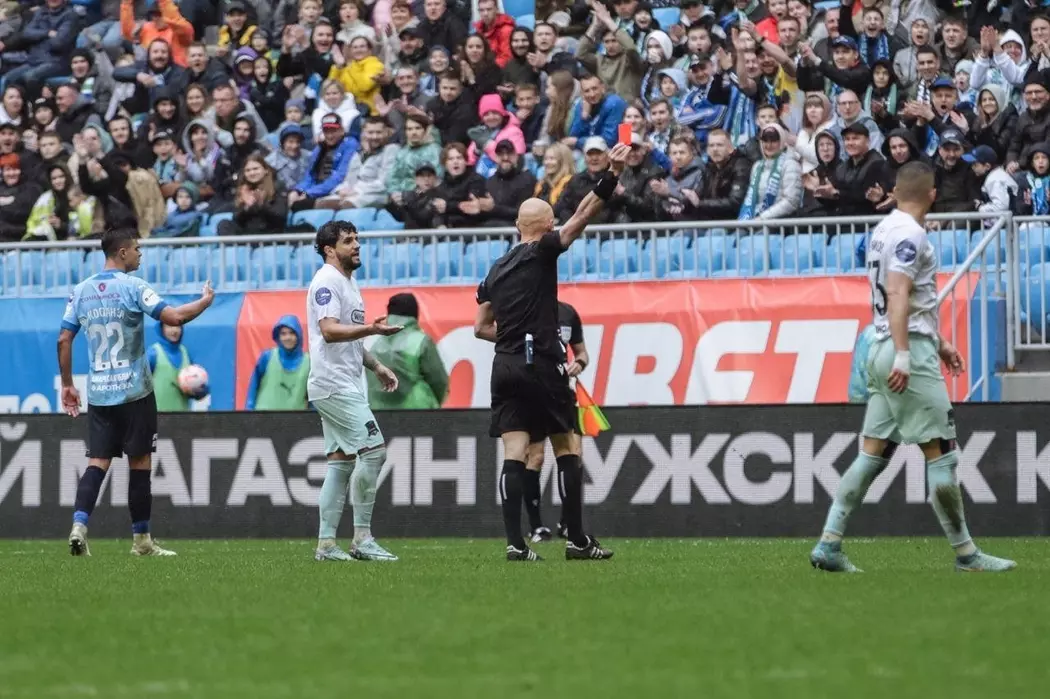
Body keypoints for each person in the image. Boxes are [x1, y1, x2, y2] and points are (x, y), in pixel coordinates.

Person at [809, 162, 1016, 574]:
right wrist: (907, 354)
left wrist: (938, 342)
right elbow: (898, 293)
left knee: (872, 454)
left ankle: (829, 543)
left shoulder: (883, 229)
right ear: (933, 194)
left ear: (895, 192)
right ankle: (967, 554)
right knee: (942, 455)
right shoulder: (911, 234)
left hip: (880, 345)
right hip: (905, 353)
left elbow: (904, 298)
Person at [472, 142, 631, 562]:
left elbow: (480, 327)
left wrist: (512, 336)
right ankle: (577, 541)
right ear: (546, 226)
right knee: (566, 446)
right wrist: (613, 174)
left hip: (505, 365)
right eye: (553, 222)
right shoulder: (542, 250)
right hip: (541, 362)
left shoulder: (495, 270)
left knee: (514, 451)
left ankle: (515, 544)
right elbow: (583, 216)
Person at [59, 228, 214, 557]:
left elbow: (63, 339)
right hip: (134, 392)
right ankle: (142, 541)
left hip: (100, 394)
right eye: (137, 249)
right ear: (123, 252)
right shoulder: (133, 286)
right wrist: (205, 302)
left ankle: (79, 525)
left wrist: (68, 384)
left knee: (97, 461)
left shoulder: (81, 291)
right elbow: (174, 317)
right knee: (140, 463)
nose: (140, 254)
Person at [307, 220, 404, 563]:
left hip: (340, 382)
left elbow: (347, 340)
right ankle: (362, 538)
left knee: (341, 463)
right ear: (329, 250)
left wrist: (376, 365)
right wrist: (371, 329)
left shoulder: (347, 282)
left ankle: (326, 545)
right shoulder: (327, 281)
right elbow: (330, 331)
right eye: (348, 241)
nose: (357, 245)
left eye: (357, 239)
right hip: (333, 384)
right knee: (374, 452)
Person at [522, 299, 590, 543]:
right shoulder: (527, 308)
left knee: (574, 454)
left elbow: (582, 353)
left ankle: (568, 523)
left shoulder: (567, 312)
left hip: (563, 392)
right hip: (534, 391)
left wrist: (578, 364)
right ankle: (536, 527)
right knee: (535, 456)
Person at [366, 293, 449, 411]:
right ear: (415, 314)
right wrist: (435, 405)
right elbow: (439, 380)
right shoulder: (421, 341)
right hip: (417, 413)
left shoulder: (374, 346)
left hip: (379, 414)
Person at [245, 315, 310, 411]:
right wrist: (249, 412)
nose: (288, 337)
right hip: (263, 416)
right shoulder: (267, 357)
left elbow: (313, 396)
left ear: (298, 335)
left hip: (296, 418)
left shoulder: (308, 362)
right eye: (283, 334)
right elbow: (253, 386)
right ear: (278, 337)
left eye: (292, 333)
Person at [147, 321, 206, 412]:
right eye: (169, 326)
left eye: (178, 326)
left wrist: (199, 391)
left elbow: (197, 393)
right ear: (161, 328)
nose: (174, 330)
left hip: (182, 417)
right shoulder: (153, 354)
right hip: (157, 417)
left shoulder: (185, 352)